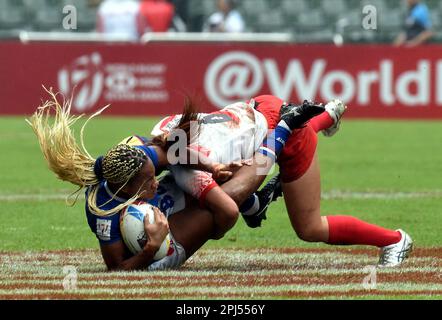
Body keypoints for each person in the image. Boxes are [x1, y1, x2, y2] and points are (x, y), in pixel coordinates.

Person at [27, 89, 323, 271]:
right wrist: (148, 248)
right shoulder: (103, 210)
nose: (155, 181)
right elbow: (116, 267)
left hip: (166, 203)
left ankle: (254, 202)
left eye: (152, 176)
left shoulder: (142, 157)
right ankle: (282, 132)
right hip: (157, 242)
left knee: (212, 178)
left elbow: (175, 154)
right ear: (127, 188)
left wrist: (214, 165)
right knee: (222, 209)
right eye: (147, 183)